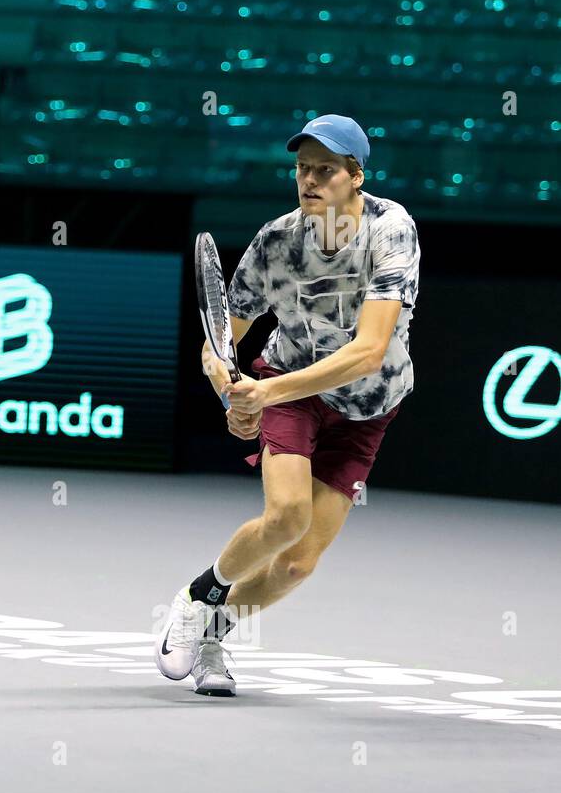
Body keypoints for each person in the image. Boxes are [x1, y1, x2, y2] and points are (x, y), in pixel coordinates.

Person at [155, 114, 420, 695]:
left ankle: (209, 631)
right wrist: (230, 390)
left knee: (298, 562)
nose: (309, 180)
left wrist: (262, 393)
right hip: (291, 383)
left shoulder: (390, 229)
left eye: (325, 169)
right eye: (302, 168)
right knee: (286, 516)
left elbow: (370, 350)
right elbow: (221, 339)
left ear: (356, 176)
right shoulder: (277, 241)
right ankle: (197, 596)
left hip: (368, 404)